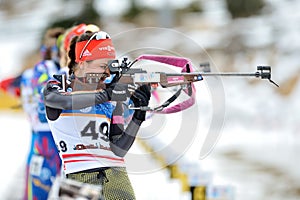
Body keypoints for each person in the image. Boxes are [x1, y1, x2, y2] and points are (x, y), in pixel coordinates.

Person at [43, 30, 151, 199]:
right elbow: (59, 100)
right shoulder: (59, 85)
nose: (107, 73)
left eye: (109, 66)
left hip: (117, 176)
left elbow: (118, 150)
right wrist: (107, 95)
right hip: (79, 177)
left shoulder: (109, 96)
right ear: (83, 63)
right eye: (102, 66)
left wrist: (139, 114)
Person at [22, 27, 65, 200]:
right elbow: (43, 108)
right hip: (45, 138)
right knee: (38, 193)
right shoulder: (43, 69)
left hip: (65, 140)